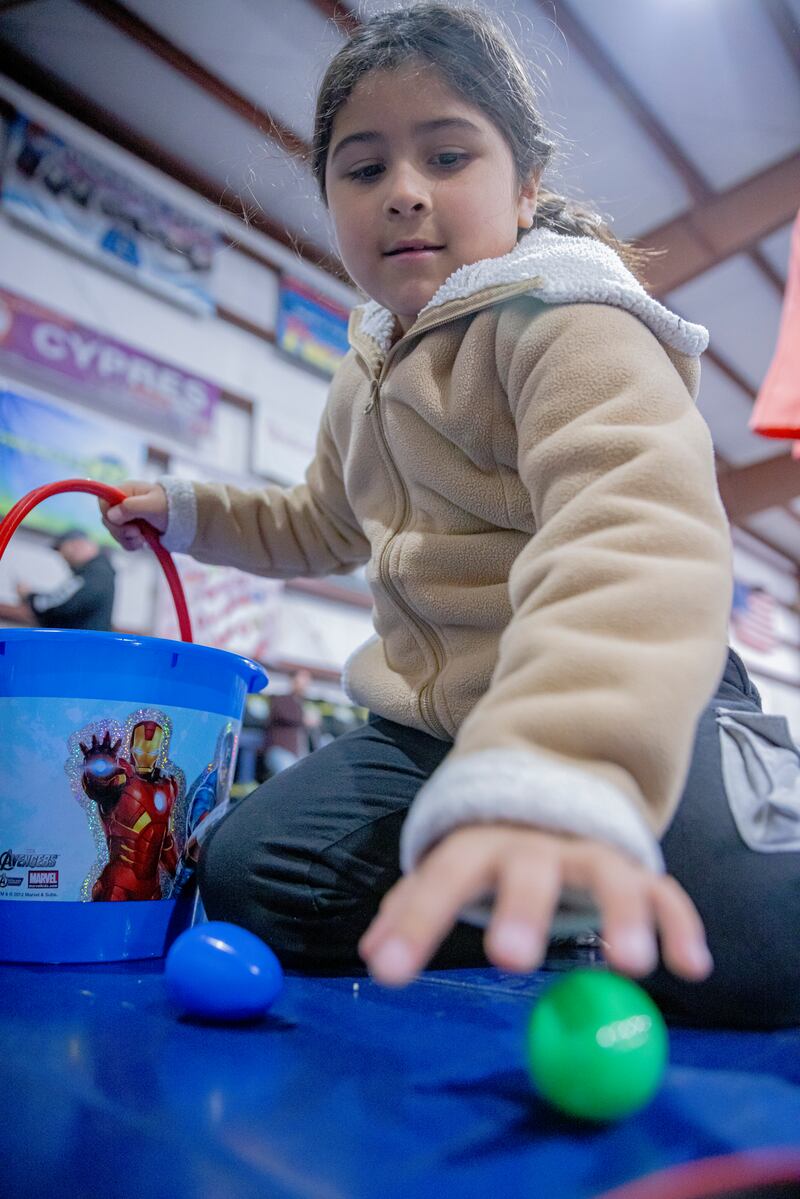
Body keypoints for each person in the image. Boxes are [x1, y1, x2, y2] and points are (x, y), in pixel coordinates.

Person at [100, 4, 800, 1028]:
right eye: (363, 168)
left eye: (446, 154)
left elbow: (631, 535)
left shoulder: (569, 324)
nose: (404, 193)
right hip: (441, 728)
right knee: (256, 878)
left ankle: (667, 823)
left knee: (743, 956)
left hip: (630, 684)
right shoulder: (364, 371)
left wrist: (556, 753)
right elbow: (317, 523)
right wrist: (195, 513)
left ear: (523, 186)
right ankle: (532, 903)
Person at [12, 527, 115, 631]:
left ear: (76, 545)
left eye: (63, 551)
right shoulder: (99, 570)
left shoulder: (95, 573)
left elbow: (58, 604)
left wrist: (29, 596)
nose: (63, 558)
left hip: (80, 644)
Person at [263, 669, 315, 775]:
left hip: (299, 753)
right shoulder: (281, 699)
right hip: (281, 750)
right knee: (286, 780)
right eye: (302, 679)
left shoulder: (304, 703)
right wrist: (304, 719)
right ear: (293, 680)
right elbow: (284, 715)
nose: (305, 683)